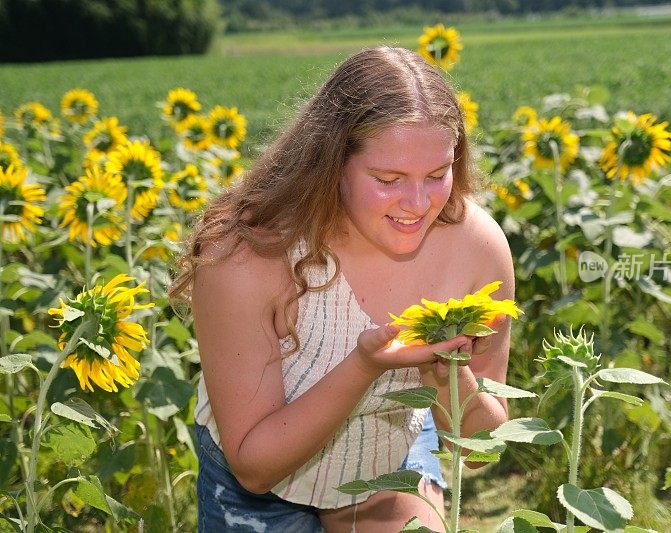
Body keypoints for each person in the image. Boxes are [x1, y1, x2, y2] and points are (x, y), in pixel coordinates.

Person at [169, 46, 515, 532]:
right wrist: (364, 366)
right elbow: (254, 466)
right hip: (261, 490)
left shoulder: (476, 249)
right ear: (331, 163)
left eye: (437, 175)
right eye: (388, 179)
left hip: (387, 454)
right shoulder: (247, 253)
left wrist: (448, 372)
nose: (418, 204)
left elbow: (480, 448)